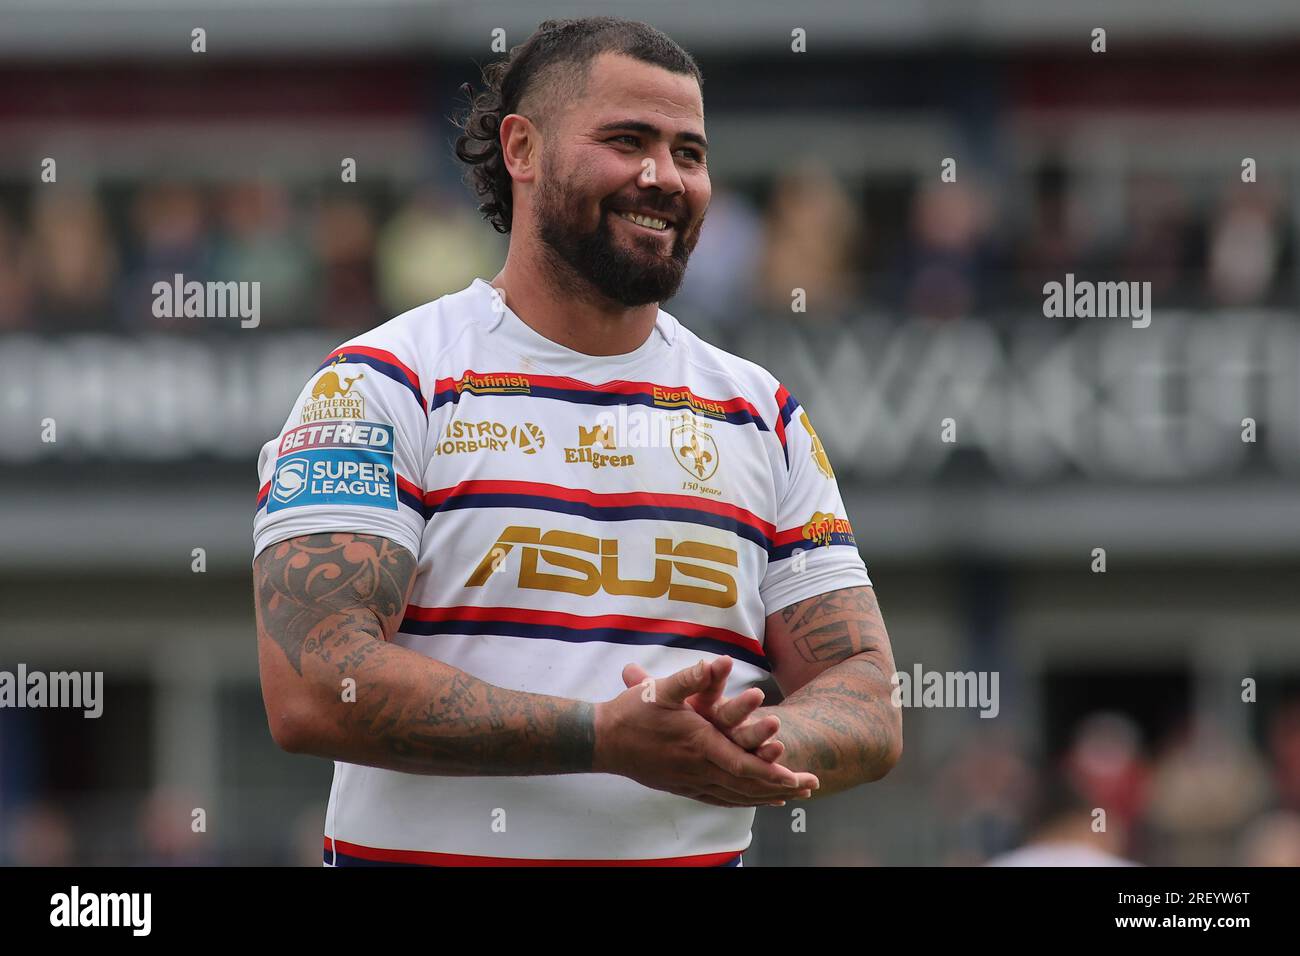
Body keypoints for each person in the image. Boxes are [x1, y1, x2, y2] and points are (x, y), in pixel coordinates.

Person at [252, 16, 900, 867]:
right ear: (521, 148)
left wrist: (759, 737)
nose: (663, 177)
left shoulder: (760, 413)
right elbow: (311, 689)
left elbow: (867, 693)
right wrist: (603, 737)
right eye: (627, 140)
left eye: (690, 153)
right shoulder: (380, 384)